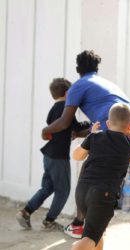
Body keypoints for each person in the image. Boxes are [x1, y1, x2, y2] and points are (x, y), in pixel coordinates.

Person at [41, 50, 130, 238]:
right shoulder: (105, 83)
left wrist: (46, 130)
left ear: (77, 69)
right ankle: (93, 220)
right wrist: (79, 133)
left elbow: (63, 121)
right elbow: (97, 123)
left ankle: (80, 224)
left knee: (88, 172)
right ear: (97, 68)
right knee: (114, 170)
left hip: (113, 122)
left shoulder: (78, 86)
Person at [71, 103, 130, 250]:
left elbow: (76, 156)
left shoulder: (95, 137)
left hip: (82, 191)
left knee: (97, 233)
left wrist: (91, 135)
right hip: (103, 195)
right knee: (89, 238)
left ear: (108, 123)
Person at [16, 78, 90, 230]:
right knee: (63, 190)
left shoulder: (54, 108)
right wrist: (91, 125)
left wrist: (75, 130)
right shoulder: (66, 107)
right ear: (68, 92)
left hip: (49, 155)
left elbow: (66, 128)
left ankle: (25, 212)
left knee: (47, 188)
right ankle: (49, 221)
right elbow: (75, 127)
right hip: (58, 157)